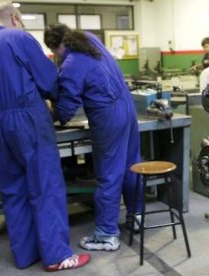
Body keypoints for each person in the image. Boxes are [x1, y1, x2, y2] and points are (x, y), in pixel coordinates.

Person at [0, 4, 90, 272]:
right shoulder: (19, 37)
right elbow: (48, 80)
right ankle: (57, 256)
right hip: (28, 120)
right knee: (45, 186)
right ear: (14, 17)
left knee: (14, 190)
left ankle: (24, 255)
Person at [44, 24, 142, 251]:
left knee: (108, 175)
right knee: (131, 166)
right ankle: (136, 216)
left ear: (56, 47)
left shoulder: (70, 64)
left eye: (54, 52)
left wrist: (50, 108)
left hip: (108, 117)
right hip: (127, 108)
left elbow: (66, 111)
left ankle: (107, 234)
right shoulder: (88, 40)